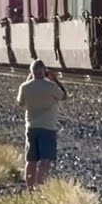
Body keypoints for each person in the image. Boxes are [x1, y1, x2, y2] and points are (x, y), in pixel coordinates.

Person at [16, 59, 68, 190]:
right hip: (48, 127)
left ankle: (29, 188)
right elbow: (64, 95)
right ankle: (39, 188)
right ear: (43, 71)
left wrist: (30, 79)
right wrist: (54, 79)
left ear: (32, 72)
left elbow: (20, 103)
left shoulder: (25, 87)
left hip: (31, 127)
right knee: (45, 160)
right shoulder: (51, 87)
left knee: (31, 160)